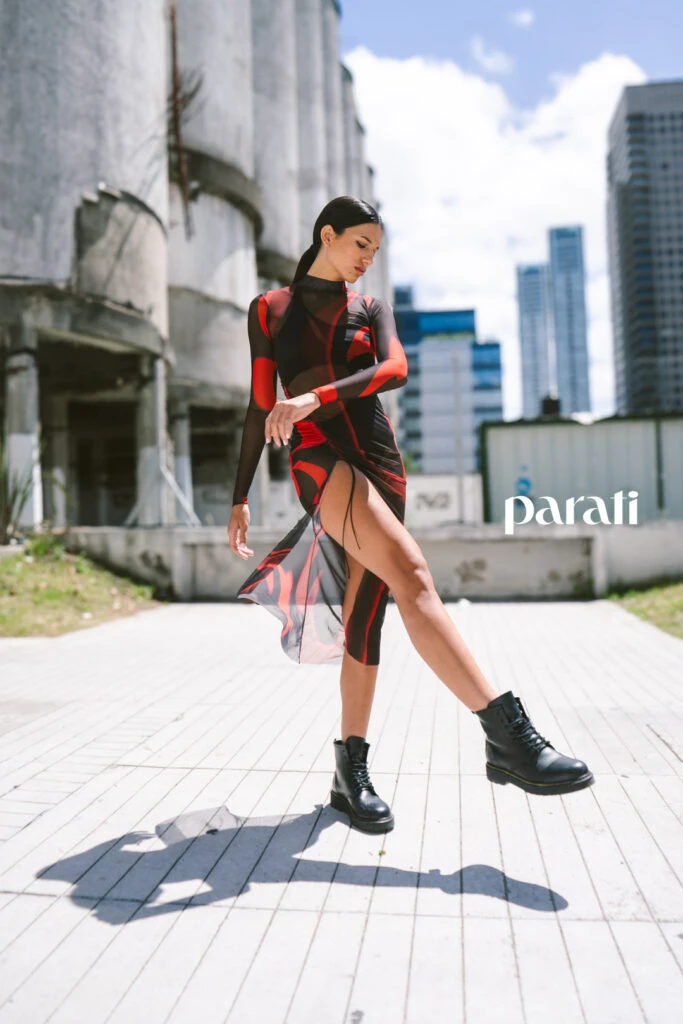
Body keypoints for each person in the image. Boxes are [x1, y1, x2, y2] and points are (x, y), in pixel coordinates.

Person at [228, 196, 593, 834]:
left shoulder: (371, 309)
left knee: (366, 619)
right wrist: (240, 495)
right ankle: (509, 737)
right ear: (327, 234)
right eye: (360, 244)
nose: (368, 258)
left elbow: (394, 369)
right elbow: (262, 405)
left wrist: (314, 394)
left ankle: (349, 774)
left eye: (376, 250)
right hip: (320, 459)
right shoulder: (270, 309)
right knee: (415, 576)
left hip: (382, 463)